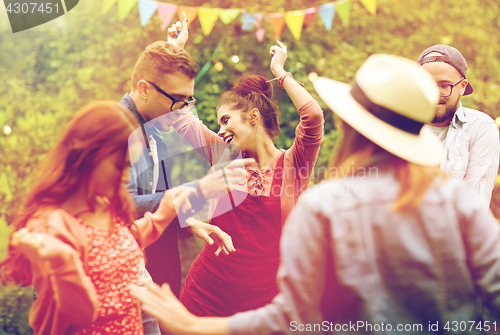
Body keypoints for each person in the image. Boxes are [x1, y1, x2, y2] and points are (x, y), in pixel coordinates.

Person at [131, 54, 500, 335]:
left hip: (260, 290)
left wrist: (194, 327)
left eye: (227, 118)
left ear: (349, 124)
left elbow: (295, 315)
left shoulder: (322, 204)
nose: (221, 127)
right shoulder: (461, 204)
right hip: (211, 285)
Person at [0, 101, 250, 334]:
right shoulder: (51, 228)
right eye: (120, 165)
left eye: (129, 166)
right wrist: (62, 263)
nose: (124, 177)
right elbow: (82, 313)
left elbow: (122, 242)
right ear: (90, 156)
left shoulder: (103, 204)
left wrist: (168, 212)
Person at [168, 40, 324, 317]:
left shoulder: (295, 162)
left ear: (253, 117)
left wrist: (280, 71)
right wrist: (174, 55)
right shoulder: (224, 154)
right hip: (208, 291)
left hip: (268, 295)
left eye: (226, 120)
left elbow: (312, 116)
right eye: (218, 123)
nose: (221, 129)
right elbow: (182, 118)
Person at [122, 12, 235, 304]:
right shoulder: (119, 132)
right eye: (178, 100)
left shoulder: (154, 118)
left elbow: (155, 191)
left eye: (189, 101)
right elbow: (124, 204)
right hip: (129, 281)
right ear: (144, 89)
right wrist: (194, 193)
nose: (183, 109)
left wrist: (187, 221)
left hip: (155, 274)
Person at [418, 44, 499, 208]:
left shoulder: (480, 127)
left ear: (462, 87)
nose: (434, 94)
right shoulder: (396, 122)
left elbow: (474, 203)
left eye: (444, 85)